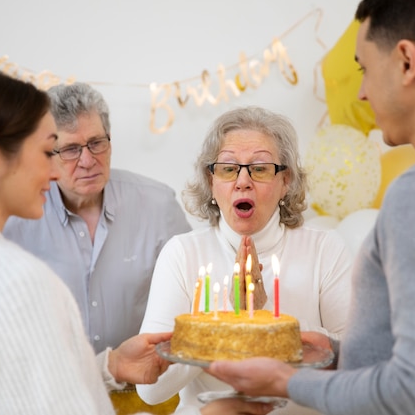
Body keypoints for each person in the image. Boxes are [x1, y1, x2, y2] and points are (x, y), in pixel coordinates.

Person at [0, 69, 273, 415]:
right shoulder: (15, 279)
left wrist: (110, 366)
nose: (55, 170)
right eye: (49, 149)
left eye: (94, 144)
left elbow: (9, 386)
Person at [208, 0, 415, 415]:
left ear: (406, 61)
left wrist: (287, 381)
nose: (362, 91)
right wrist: (339, 354)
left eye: (364, 67)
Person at [137, 106, 354, 415]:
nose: (242, 181)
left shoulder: (325, 248)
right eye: (227, 169)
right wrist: (229, 319)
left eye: (261, 168)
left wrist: (266, 317)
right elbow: (150, 389)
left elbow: (358, 368)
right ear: (211, 181)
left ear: (286, 181)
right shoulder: (182, 254)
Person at [3, 82, 191, 354]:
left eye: (96, 143)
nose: (88, 160)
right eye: (70, 149)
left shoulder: (158, 205)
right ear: (46, 153)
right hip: (54, 386)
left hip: (144, 387)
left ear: (109, 139)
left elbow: (194, 300)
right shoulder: (16, 217)